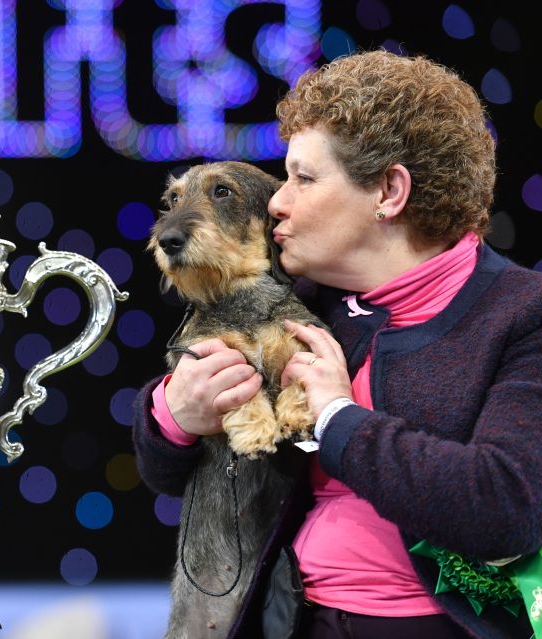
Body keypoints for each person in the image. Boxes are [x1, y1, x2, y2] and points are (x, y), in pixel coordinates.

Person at [133, 49, 542, 639]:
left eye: (303, 177)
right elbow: (171, 473)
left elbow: (506, 508)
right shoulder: (301, 300)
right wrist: (173, 416)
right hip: (293, 620)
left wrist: (337, 417)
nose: (276, 200)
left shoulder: (522, 314)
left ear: (389, 192)